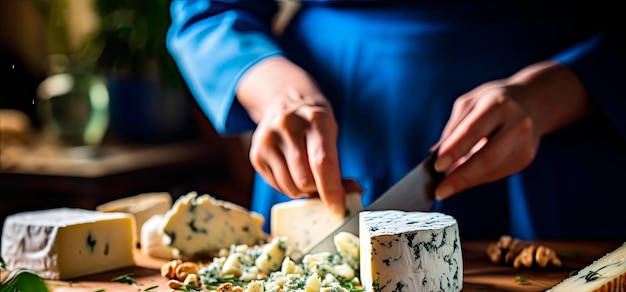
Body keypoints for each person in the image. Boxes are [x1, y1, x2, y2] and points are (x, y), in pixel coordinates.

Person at [166, 0, 626, 240]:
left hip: (561, 149)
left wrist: (564, 90)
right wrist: (275, 93)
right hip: (334, 139)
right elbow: (208, 11)